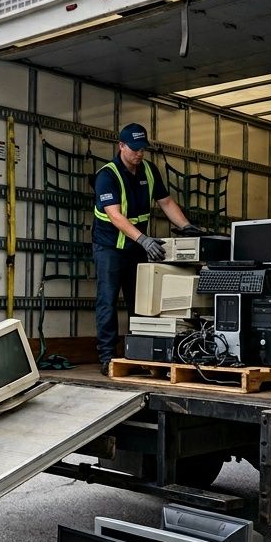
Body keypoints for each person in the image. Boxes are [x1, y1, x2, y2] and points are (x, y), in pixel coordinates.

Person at [93, 123, 201, 377]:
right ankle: (107, 357)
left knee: (140, 303)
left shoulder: (149, 171)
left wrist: (186, 227)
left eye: (143, 149)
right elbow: (115, 216)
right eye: (134, 149)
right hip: (109, 249)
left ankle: (137, 354)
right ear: (121, 146)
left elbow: (165, 201)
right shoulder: (107, 176)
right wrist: (144, 240)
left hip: (136, 248)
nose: (139, 154)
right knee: (107, 302)